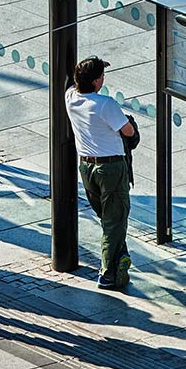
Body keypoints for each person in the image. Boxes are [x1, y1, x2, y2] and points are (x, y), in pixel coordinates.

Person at [65, 57, 137, 291]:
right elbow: (128, 131)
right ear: (97, 81)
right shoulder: (106, 104)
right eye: (101, 76)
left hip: (86, 167)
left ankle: (119, 257)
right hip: (111, 168)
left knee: (108, 218)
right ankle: (107, 274)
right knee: (114, 220)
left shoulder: (70, 98)